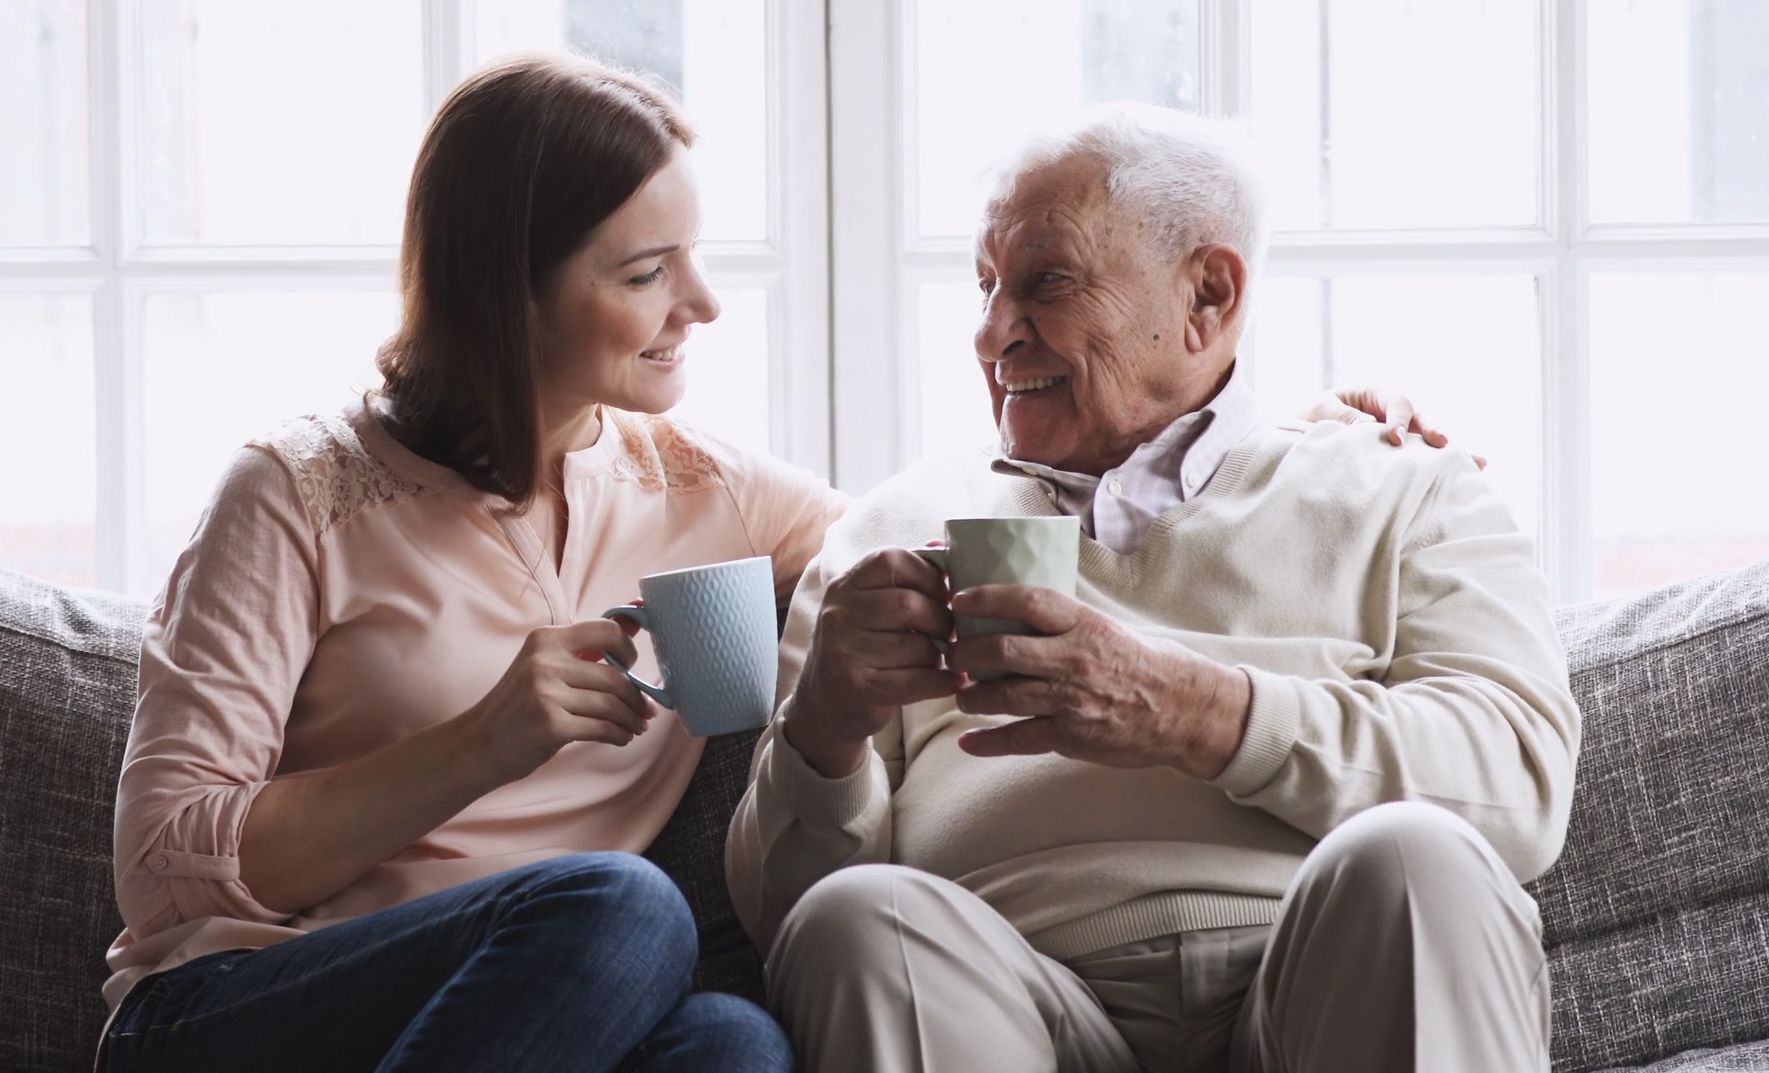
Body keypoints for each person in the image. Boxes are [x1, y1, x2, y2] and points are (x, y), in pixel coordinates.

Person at [727, 103, 1580, 1073]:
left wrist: (1195, 710)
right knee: (854, 917)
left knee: (1417, 863)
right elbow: (781, 912)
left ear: (1207, 296)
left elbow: (1514, 790)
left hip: (1324, 982)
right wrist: (824, 727)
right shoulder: (888, 531)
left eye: (1043, 282)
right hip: (1007, 997)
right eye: (983, 289)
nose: (993, 333)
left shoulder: (1401, 482)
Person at [98, 55, 830, 1072]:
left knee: (729, 1039)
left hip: (535, 1013)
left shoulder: (709, 490)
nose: (699, 302)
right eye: (645, 272)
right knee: (619, 905)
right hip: (236, 1005)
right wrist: (484, 739)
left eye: (689, 257)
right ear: (506, 293)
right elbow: (162, 867)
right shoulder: (293, 494)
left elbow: (898, 534)